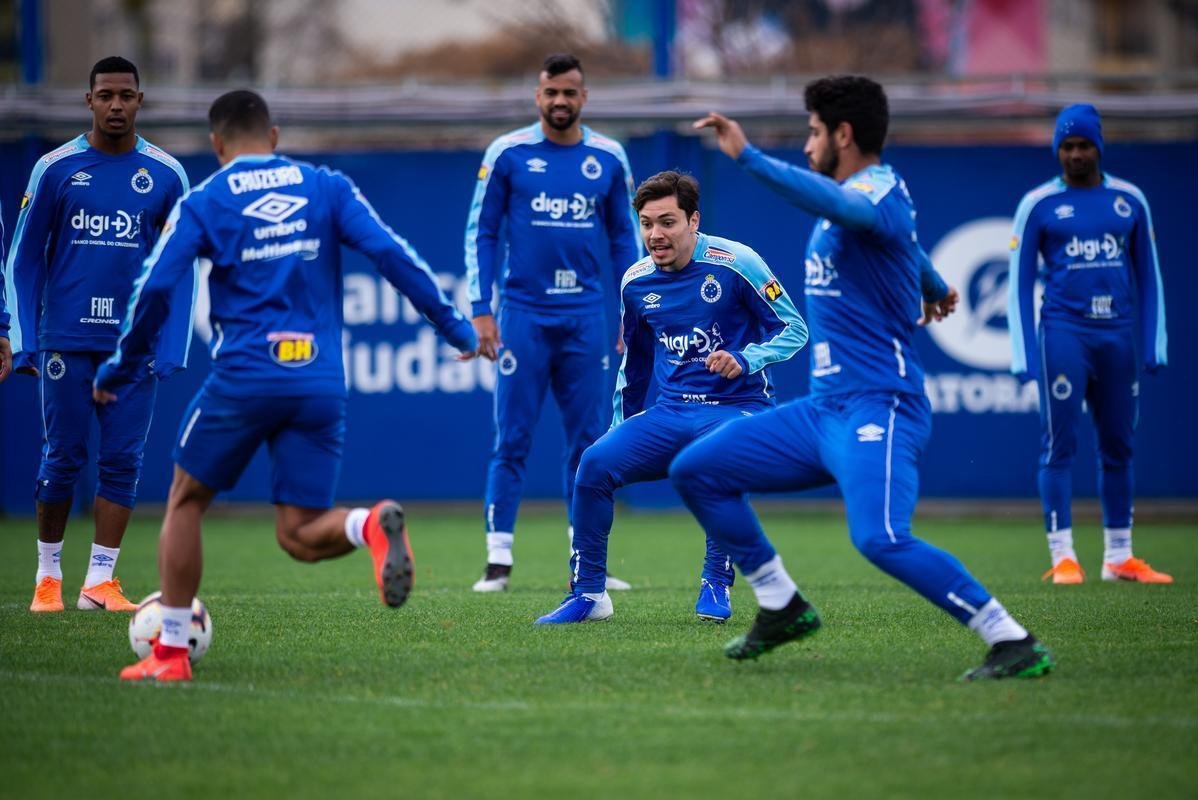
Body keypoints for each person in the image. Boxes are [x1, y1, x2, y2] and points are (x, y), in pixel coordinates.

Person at [95, 89, 478, 682]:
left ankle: (169, 654)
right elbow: (391, 255)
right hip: (319, 380)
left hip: (245, 377)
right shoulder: (325, 186)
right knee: (298, 533)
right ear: (273, 136)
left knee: (185, 499)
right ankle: (368, 524)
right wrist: (455, 328)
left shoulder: (207, 199)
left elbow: (155, 287)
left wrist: (120, 367)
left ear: (217, 145)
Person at [681, 75, 1053, 680]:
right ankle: (780, 602)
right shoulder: (866, 203)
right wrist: (934, 286)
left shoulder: (872, 190)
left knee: (879, 537)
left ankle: (1010, 638)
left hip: (880, 404)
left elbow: (860, 212)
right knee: (696, 469)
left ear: (843, 135)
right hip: (824, 410)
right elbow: (896, 243)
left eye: (813, 132)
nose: (806, 145)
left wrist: (747, 157)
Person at [535, 170, 807, 624]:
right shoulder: (636, 282)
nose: (655, 235)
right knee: (594, 463)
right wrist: (620, 429)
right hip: (673, 410)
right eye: (646, 223)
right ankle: (589, 594)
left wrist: (747, 357)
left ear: (693, 221)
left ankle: (716, 583)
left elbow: (795, 328)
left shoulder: (738, 262)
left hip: (739, 408)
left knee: (716, 461)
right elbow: (635, 366)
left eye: (667, 222)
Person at [5, 57, 192, 614]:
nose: (116, 105)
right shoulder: (55, 169)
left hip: (132, 346)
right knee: (62, 456)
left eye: (126, 96)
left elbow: (182, 263)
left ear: (141, 100)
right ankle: (47, 578)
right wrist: (22, 339)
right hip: (65, 338)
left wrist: (173, 343)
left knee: (123, 460)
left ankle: (100, 583)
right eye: (106, 95)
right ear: (88, 101)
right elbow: (22, 261)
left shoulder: (166, 175)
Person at [466, 53, 642, 593]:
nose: (560, 102)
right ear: (537, 97)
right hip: (524, 314)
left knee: (590, 443)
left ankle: (587, 561)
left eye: (570, 92)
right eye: (551, 93)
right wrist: (481, 308)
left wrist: (631, 311)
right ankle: (498, 561)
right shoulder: (509, 153)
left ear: (584, 97)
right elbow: (483, 232)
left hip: (588, 315)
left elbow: (625, 241)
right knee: (512, 437)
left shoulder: (609, 157)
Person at [1009, 104, 1170, 585]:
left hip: (1117, 336)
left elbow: (1151, 276)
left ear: (1099, 147)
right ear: (1057, 150)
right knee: (1060, 445)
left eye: (1083, 146)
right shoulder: (1038, 204)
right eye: (1066, 147)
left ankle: (1119, 558)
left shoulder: (1130, 200)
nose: (1075, 155)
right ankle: (1063, 556)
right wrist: (1022, 354)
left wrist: (1153, 343)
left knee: (1119, 447)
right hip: (1064, 334)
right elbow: (1017, 284)